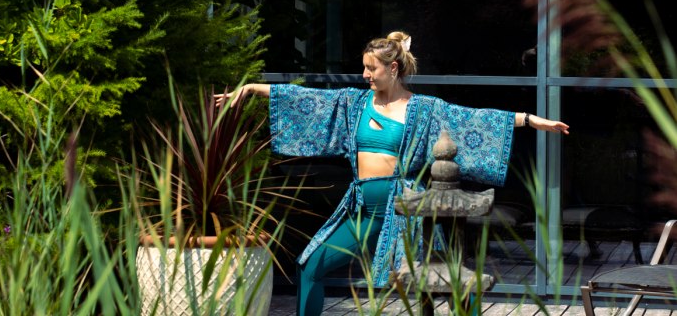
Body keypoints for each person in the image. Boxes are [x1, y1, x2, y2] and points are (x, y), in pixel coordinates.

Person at [214, 31, 569, 316]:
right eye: (365, 68)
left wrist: (529, 119)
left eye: (372, 69)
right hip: (361, 213)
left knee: (448, 279)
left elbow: (473, 118)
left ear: (394, 68)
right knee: (310, 266)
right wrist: (249, 90)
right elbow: (305, 100)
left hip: (406, 212)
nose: (365, 75)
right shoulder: (354, 103)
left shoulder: (425, 110)